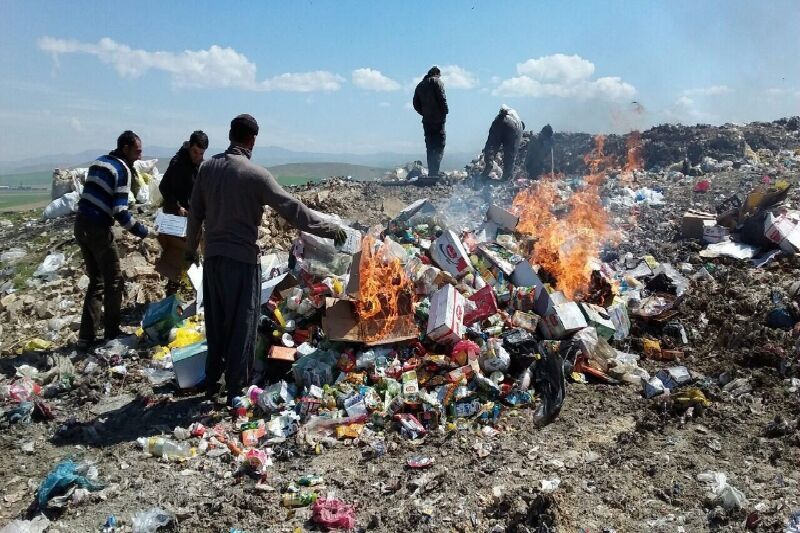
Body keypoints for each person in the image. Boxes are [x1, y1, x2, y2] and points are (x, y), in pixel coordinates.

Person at [185, 114, 346, 407]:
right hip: (241, 261)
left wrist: (189, 249)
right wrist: (328, 227)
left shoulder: (207, 169)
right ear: (252, 139)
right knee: (241, 324)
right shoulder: (255, 175)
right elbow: (292, 209)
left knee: (216, 321)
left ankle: (211, 381)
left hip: (212, 260)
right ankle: (236, 389)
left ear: (230, 134)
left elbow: (195, 211)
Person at [74, 130, 150, 349]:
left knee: (96, 281)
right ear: (125, 149)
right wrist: (143, 232)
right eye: (137, 151)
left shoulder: (100, 162)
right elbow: (120, 211)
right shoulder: (122, 169)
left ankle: (86, 337)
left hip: (81, 225)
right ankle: (111, 332)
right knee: (114, 279)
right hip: (98, 228)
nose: (139, 156)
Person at [156, 131, 208, 295]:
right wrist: (177, 207)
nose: (197, 156)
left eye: (201, 153)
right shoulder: (178, 163)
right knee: (180, 257)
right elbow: (163, 187)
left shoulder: (198, 164)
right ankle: (175, 296)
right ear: (189, 147)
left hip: (192, 217)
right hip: (176, 218)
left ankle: (188, 294)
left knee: (193, 257)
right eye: (195, 152)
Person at [413, 66, 448, 176]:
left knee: (430, 145)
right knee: (439, 144)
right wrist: (445, 111)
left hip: (427, 120)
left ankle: (432, 172)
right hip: (438, 119)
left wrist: (423, 113)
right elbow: (442, 98)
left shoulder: (420, 85)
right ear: (436, 73)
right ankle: (435, 171)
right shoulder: (437, 82)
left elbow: (415, 103)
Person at [482, 105, 525, 181]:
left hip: (498, 121)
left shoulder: (503, 115)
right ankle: (506, 178)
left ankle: (489, 165)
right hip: (513, 126)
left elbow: (491, 143)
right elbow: (512, 151)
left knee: (491, 145)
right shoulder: (519, 125)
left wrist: (489, 156)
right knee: (510, 154)